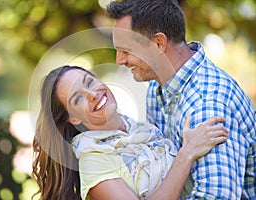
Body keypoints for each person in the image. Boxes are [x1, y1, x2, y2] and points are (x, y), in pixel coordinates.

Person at [106, 0, 256, 199]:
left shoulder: (207, 106)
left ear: (158, 43)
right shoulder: (156, 88)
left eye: (126, 50)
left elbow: (214, 196)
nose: (119, 60)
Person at [32, 65, 228, 200]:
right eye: (77, 99)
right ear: (73, 119)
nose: (92, 94)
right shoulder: (94, 161)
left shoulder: (142, 129)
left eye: (89, 82)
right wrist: (187, 153)